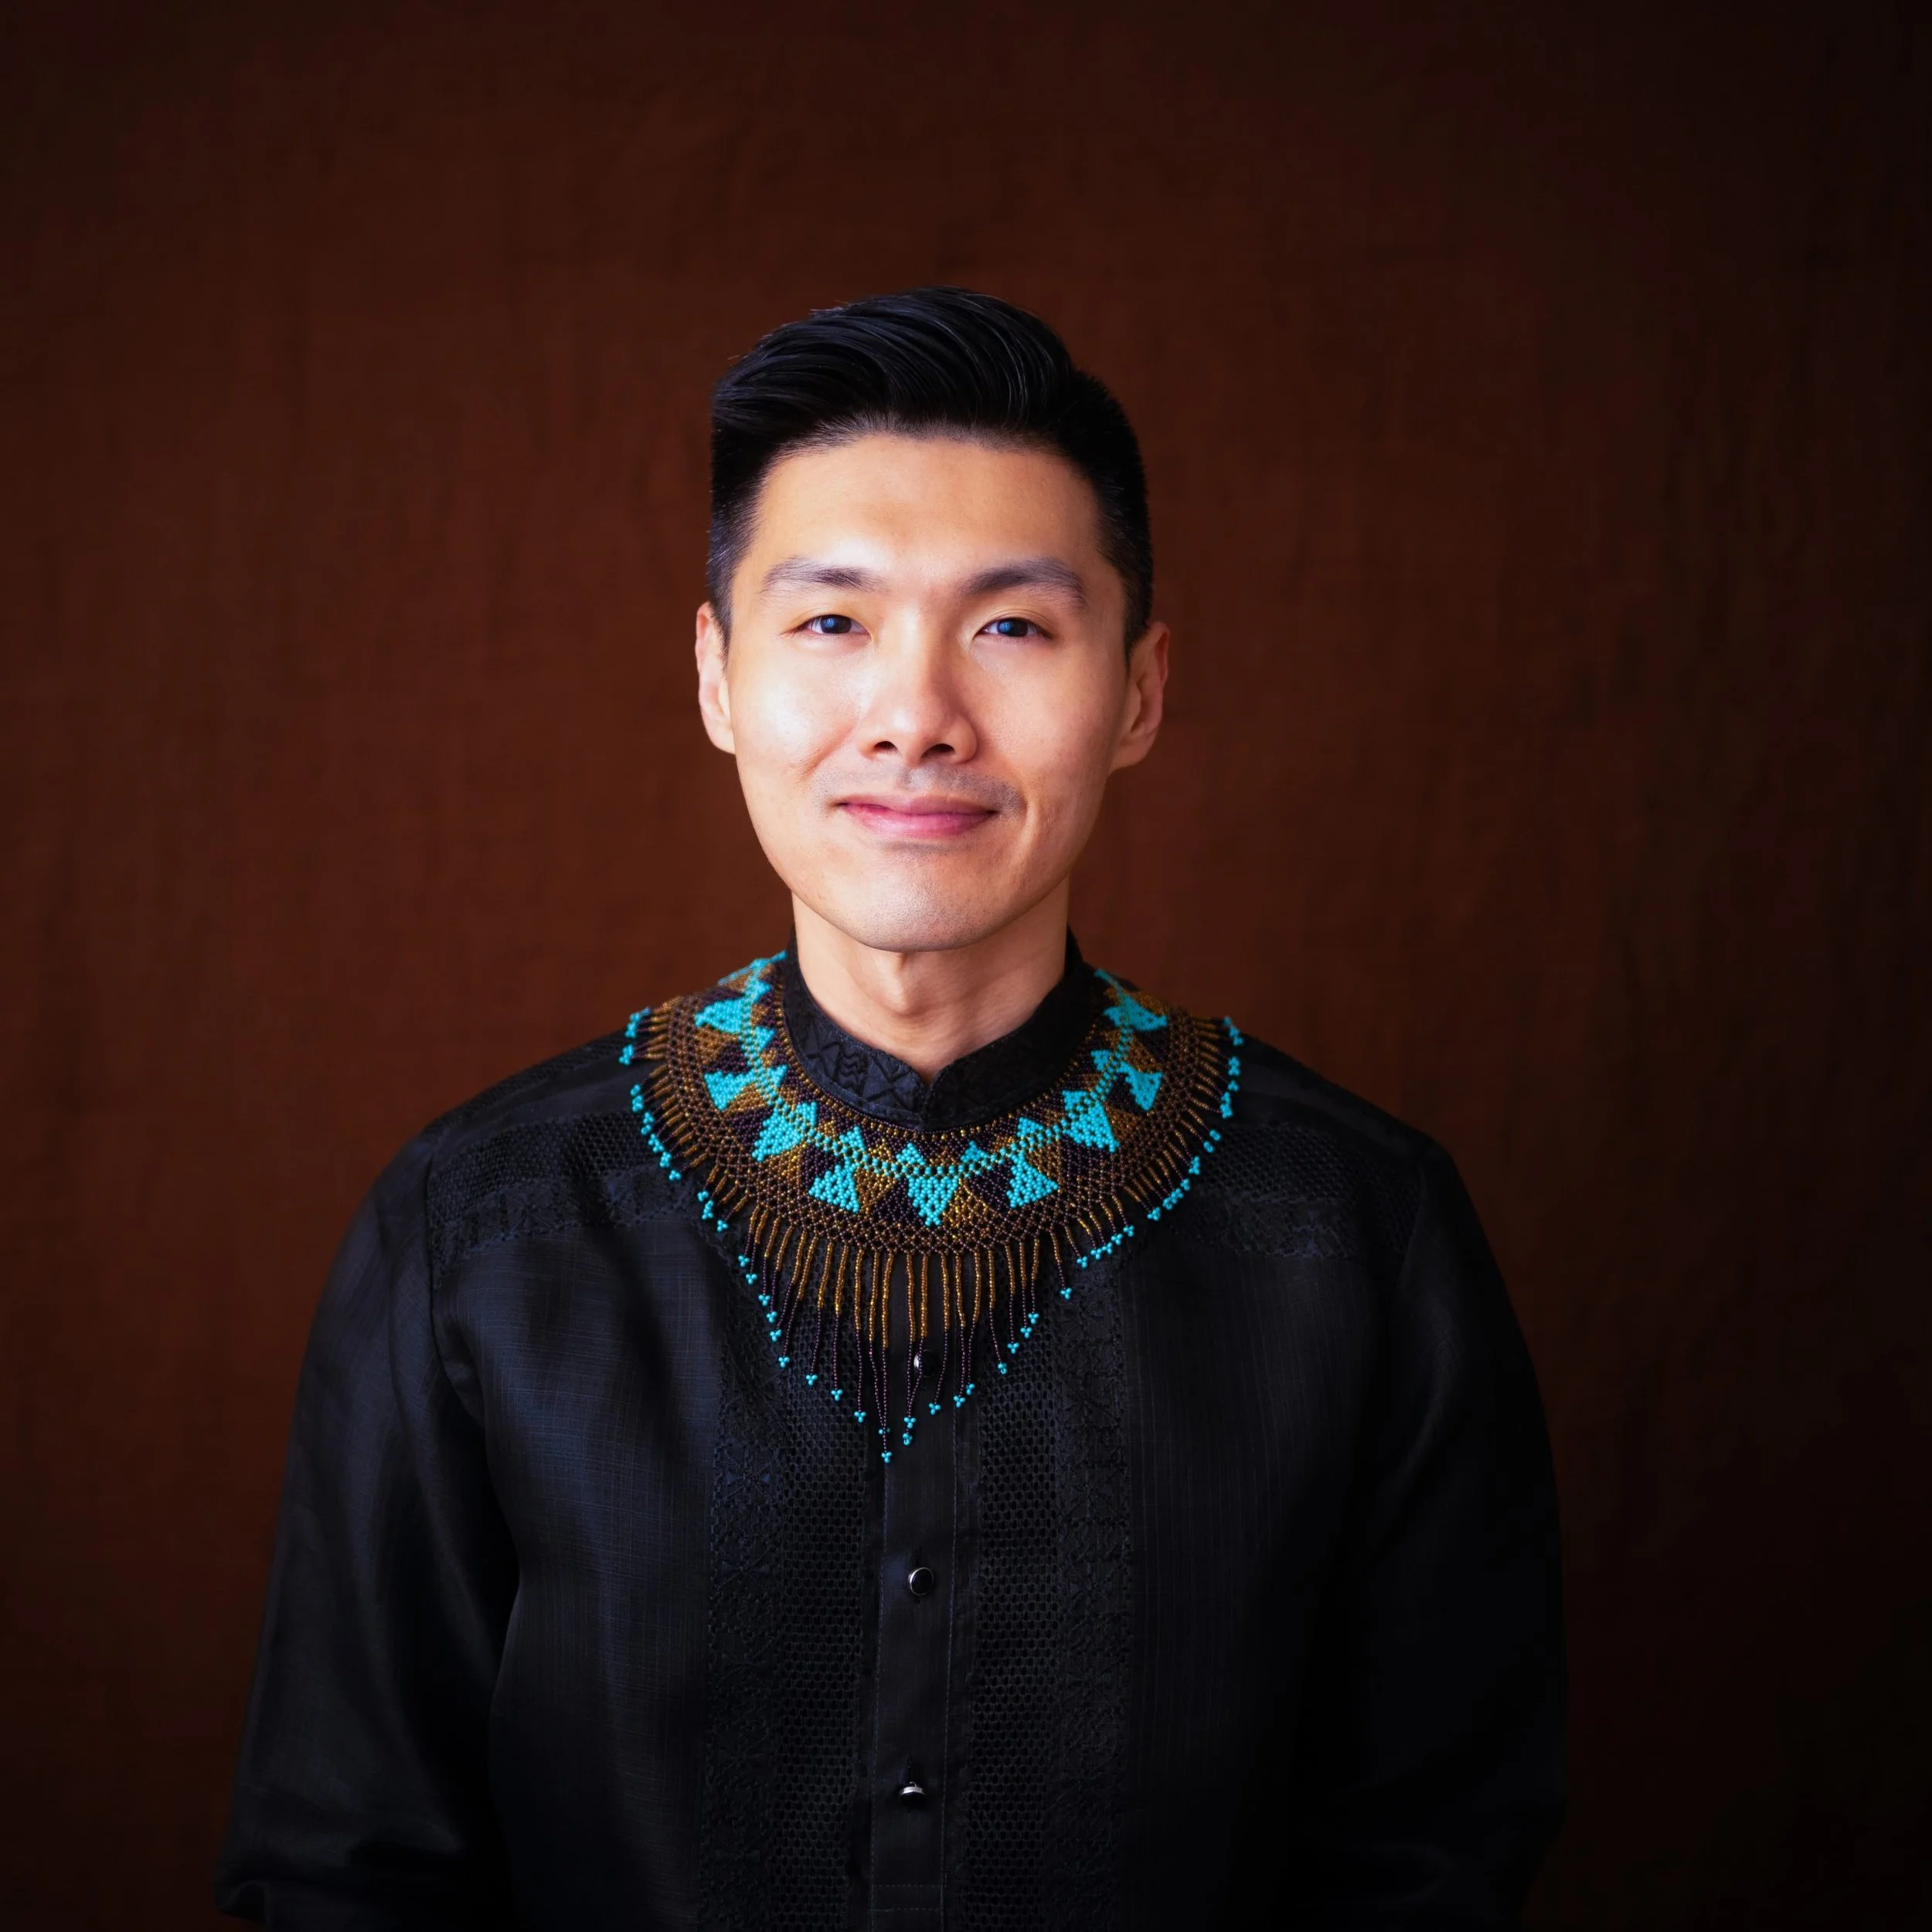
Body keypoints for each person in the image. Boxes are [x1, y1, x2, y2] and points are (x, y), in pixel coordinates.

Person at [217, 287, 1563, 1930]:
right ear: (717, 675)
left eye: (1010, 625)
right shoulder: (481, 1225)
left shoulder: (1355, 1232)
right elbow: (346, 1867)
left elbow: (1433, 1866)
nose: (915, 714)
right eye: (831, 622)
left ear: (1136, 690)